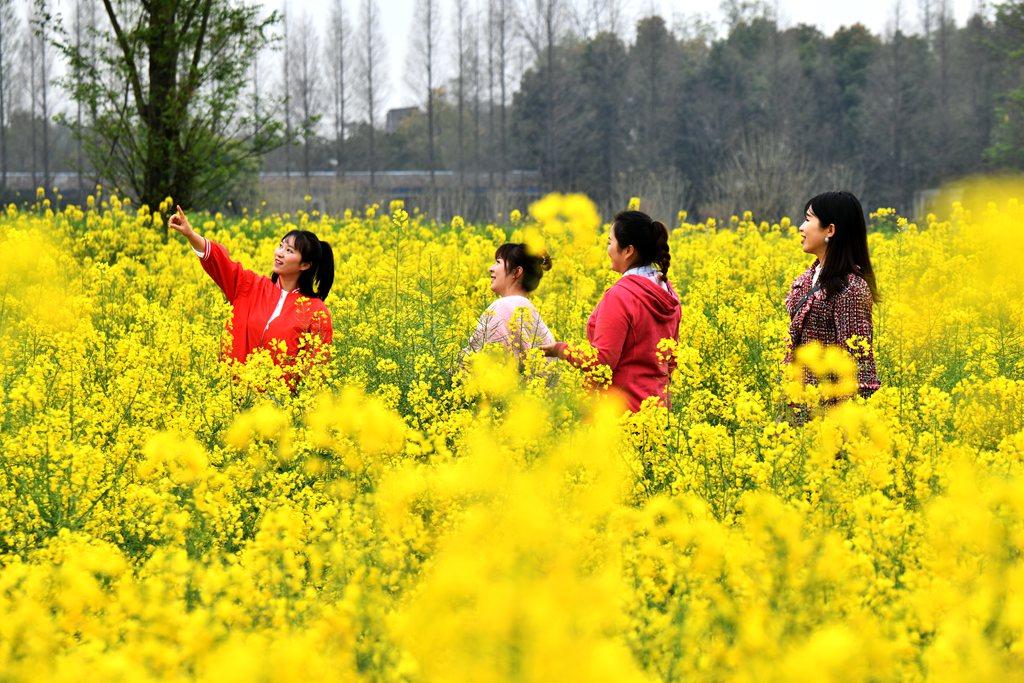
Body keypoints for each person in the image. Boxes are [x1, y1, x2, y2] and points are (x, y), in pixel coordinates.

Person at [168, 205, 334, 380]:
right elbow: (219, 262)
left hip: (277, 402)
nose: (279, 253)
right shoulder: (250, 285)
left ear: (305, 265)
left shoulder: (316, 311)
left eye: (289, 251)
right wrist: (190, 235)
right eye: (280, 246)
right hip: (231, 393)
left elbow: (316, 370)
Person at [541, 210, 681, 412]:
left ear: (628, 251)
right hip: (656, 415)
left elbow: (602, 360)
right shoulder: (669, 294)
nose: (607, 249)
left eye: (610, 242)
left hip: (618, 416)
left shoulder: (621, 295)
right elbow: (671, 361)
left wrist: (560, 350)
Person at [785, 190, 879, 406]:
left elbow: (859, 366)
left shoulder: (851, 289)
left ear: (830, 230)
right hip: (797, 407)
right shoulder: (808, 279)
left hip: (827, 416)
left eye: (808, 219)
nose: (801, 227)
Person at [463, 243, 555, 363]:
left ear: (516, 272)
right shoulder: (527, 308)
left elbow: (484, 360)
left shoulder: (504, 307)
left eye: (498, 262)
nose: (491, 268)